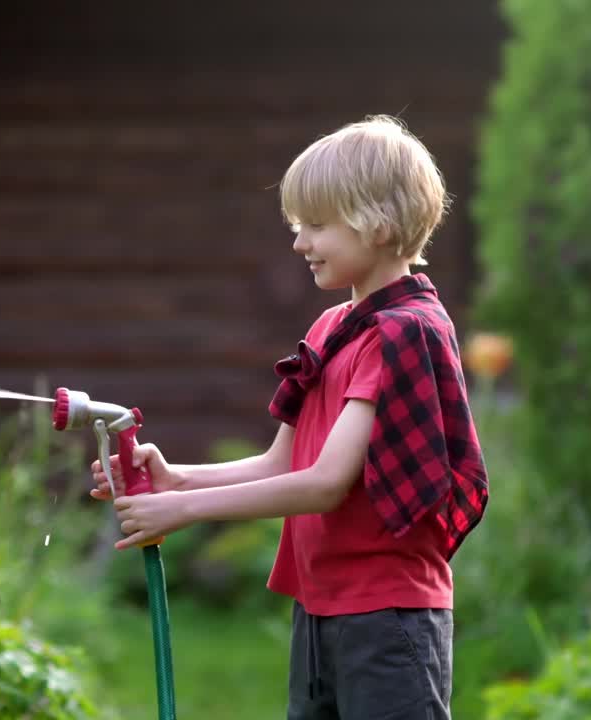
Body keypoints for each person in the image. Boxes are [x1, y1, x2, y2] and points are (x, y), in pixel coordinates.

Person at [89, 115, 489, 720]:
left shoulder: (403, 335)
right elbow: (284, 461)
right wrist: (178, 479)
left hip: (389, 620)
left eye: (316, 225)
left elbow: (326, 484)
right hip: (321, 609)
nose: (300, 242)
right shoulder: (332, 329)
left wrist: (183, 512)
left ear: (376, 224)